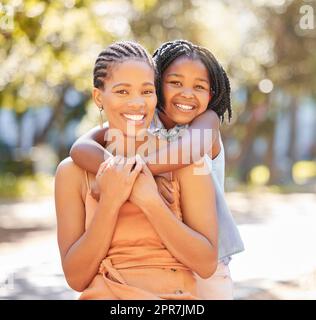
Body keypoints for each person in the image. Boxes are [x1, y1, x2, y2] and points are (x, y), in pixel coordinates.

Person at [70, 40, 244, 299]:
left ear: (212, 93)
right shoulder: (140, 122)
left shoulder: (207, 123)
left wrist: (138, 175)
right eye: (175, 83)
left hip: (209, 260)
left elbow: (188, 152)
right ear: (157, 84)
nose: (187, 93)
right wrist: (120, 177)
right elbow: (80, 147)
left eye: (199, 86)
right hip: (164, 259)